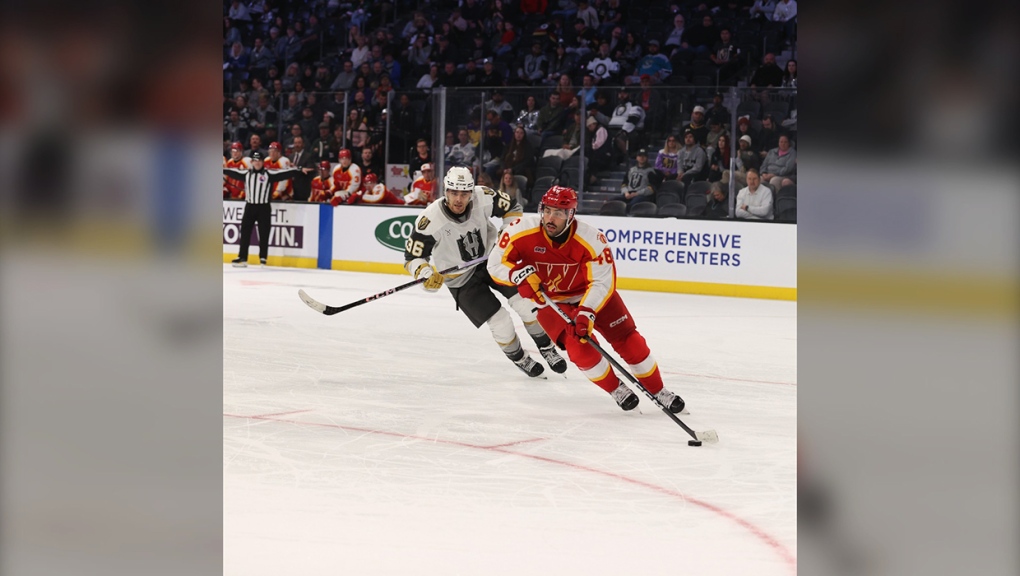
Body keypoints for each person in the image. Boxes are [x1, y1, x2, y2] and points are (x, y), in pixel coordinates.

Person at [487, 186, 686, 413]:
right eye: (548, 211)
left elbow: (602, 282)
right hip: (551, 302)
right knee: (580, 349)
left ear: (571, 215)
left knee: (631, 342)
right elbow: (495, 264)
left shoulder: (592, 239)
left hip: (591, 297)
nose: (551, 218)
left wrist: (587, 311)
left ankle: (658, 390)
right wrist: (516, 275)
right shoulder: (519, 230)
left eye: (559, 213)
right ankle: (616, 389)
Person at [403, 166, 567, 377]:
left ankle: (547, 348)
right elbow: (412, 257)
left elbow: (513, 208)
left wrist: (506, 232)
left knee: (526, 303)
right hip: (461, 279)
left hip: (493, 261)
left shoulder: (484, 196)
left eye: (464, 193)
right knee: (500, 321)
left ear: (471, 191)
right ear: (445, 191)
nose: (459, 199)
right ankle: (519, 358)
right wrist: (424, 273)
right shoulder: (430, 220)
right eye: (454, 192)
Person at [223, 152, 301, 267]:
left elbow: (283, 173)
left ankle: (263, 257)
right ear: (252, 162)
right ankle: (243, 257)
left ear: (262, 162)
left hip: (263, 207)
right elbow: (232, 171)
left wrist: (298, 170)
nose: (257, 162)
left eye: (259, 160)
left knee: (264, 233)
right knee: (245, 232)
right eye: (255, 160)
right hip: (250, 207)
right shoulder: (246, 173)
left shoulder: (268, 174)